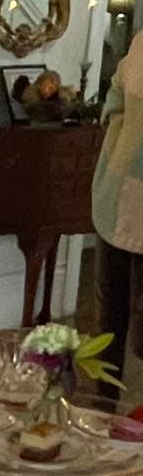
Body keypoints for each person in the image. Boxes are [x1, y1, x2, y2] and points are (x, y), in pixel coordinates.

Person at [93, 30, 143, 386]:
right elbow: (116, 87)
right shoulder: (141, 42)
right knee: (107, 323)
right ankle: (100, 415)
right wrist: (114, 121)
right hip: (116, 194)